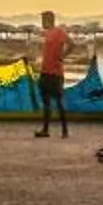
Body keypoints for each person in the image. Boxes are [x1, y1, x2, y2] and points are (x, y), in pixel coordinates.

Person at [36, 9, 70, 139]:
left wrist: (63, 56)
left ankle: (64, 130)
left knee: (59, 101)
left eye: (43, 20)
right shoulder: (46, 34)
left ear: (48, 20)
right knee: (46, 102)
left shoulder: (59, 32)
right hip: (45, 72)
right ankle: (45, 130)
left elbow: (72, 44)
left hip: (55, 72)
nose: (42, 22)